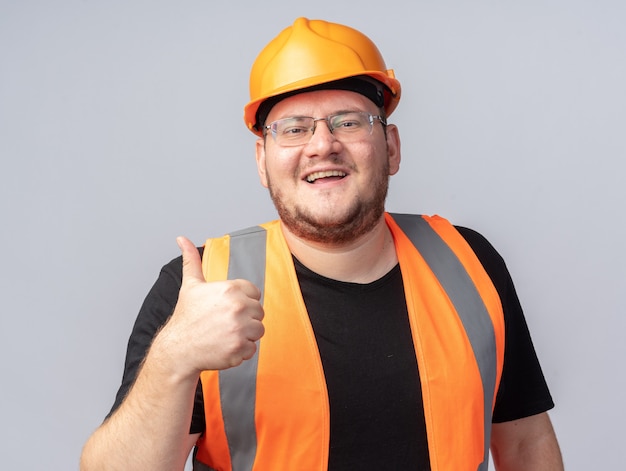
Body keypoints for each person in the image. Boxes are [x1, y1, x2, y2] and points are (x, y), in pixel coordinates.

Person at [80, 17, 563, 471]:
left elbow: (525, 442)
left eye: (349, 122)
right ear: (262, 162)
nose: (321, 144)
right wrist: (174, 358)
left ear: (391, 147)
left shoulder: (468, 262)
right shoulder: (202, 288)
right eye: (293, 129)